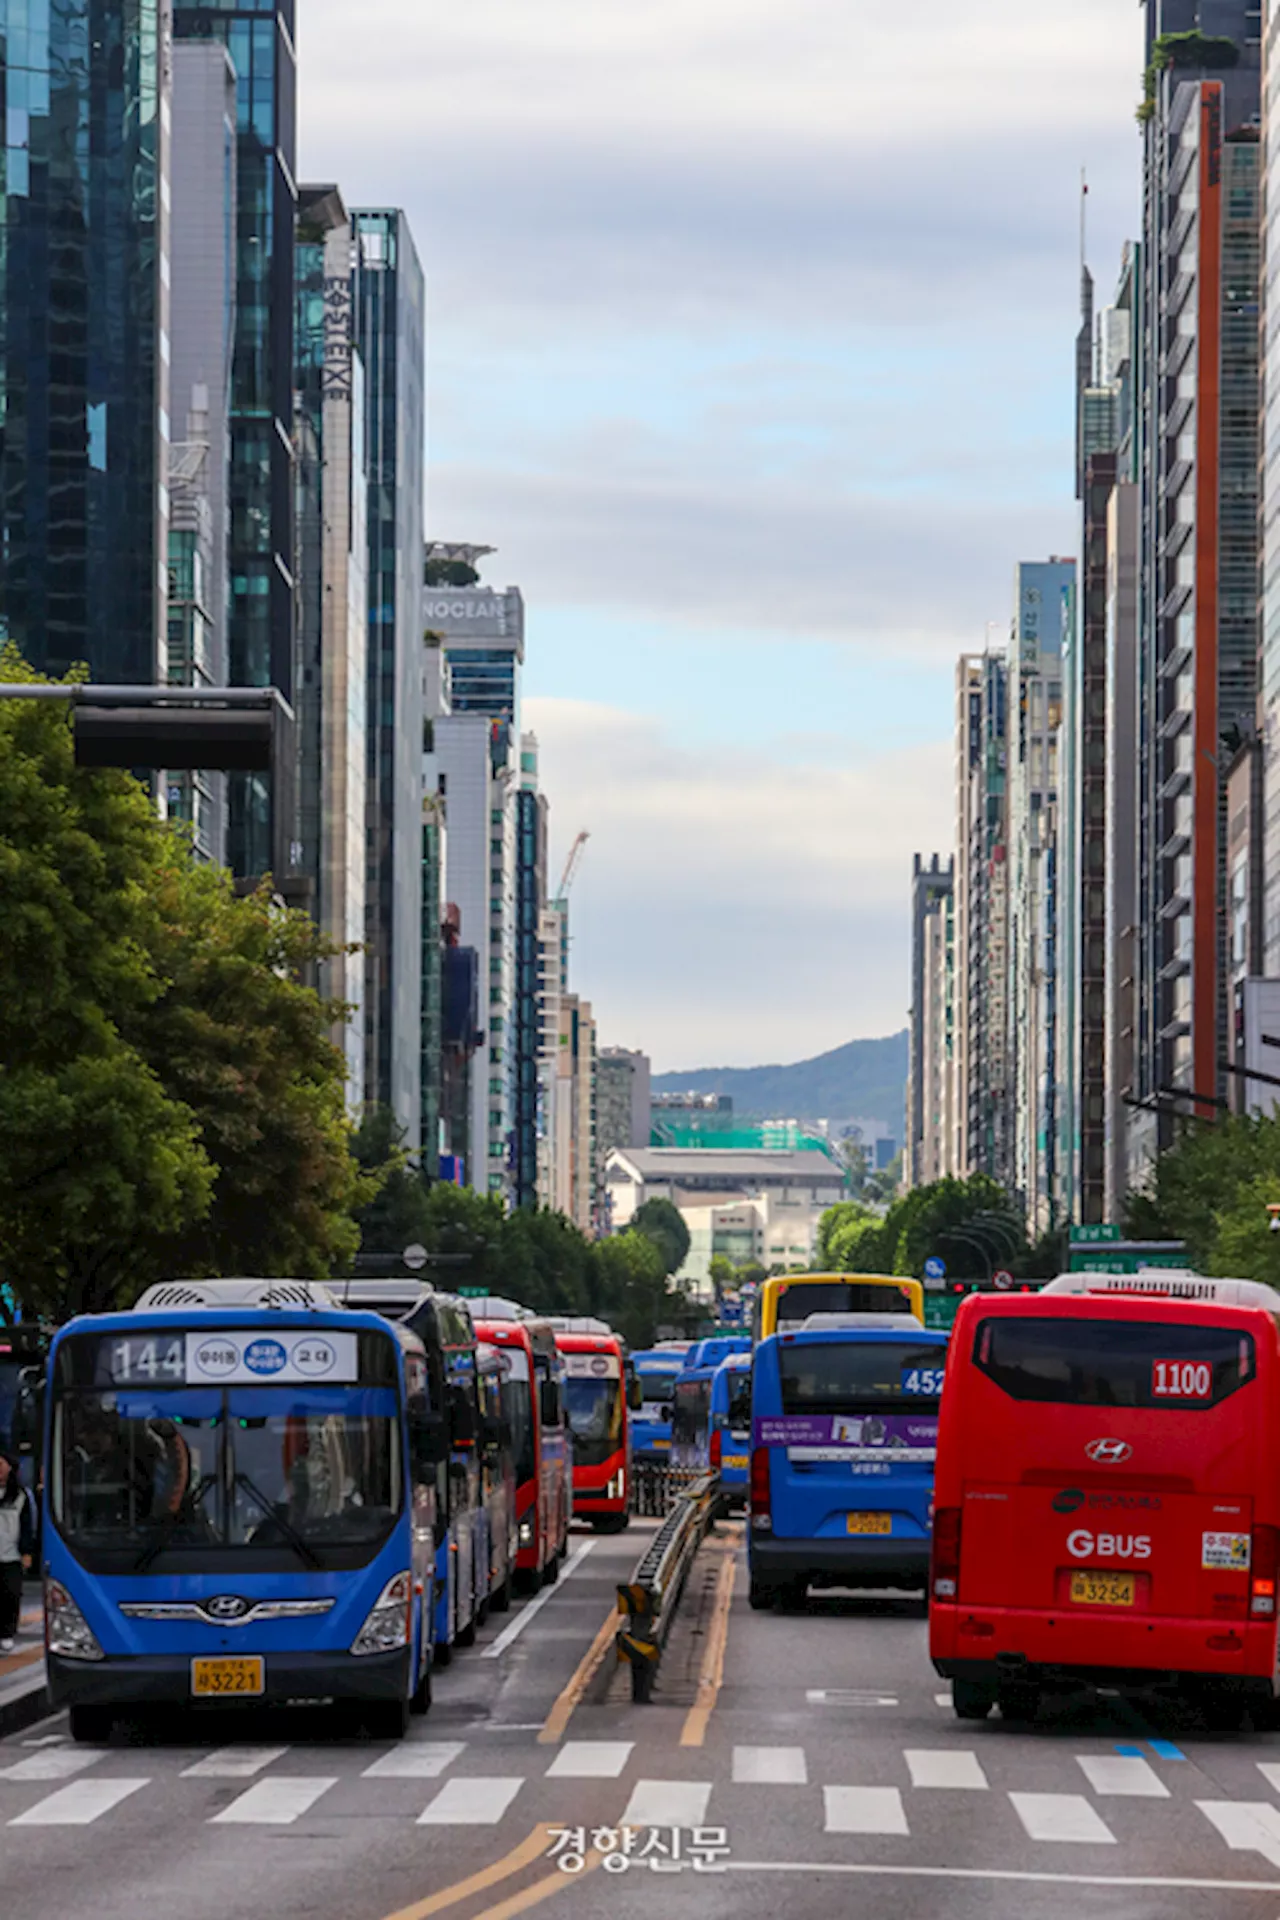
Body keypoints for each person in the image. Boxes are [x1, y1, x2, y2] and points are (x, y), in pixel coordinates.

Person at [0, 1450, 35, 1654]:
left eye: (1, 1464)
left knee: (11, 1595)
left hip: (11, 1554)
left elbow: (27, 1524)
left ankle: (7, 1633)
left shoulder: (21, 1496)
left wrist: (27, 1551)